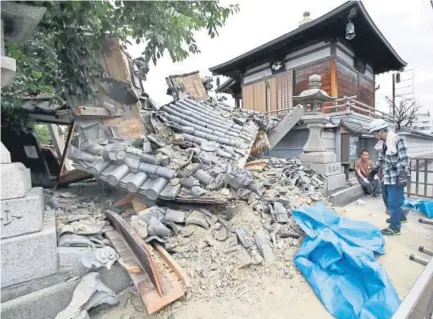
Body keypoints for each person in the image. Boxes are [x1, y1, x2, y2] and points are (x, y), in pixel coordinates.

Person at [368, 119, 409, 236]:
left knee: (393, 202)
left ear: (380, 131)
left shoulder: (397, 139)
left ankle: (395, 228)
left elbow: (404, 159)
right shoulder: (384, 143)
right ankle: (401, 217)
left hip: (396, 177)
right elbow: (381, 159)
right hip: (387, 177)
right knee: (386, 198)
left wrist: (401, 175)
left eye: (374, 133)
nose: (374, 135)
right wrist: (374, 170)